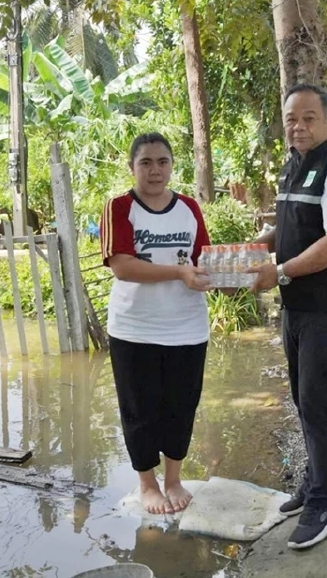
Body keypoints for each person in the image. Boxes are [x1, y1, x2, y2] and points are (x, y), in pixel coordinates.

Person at [248, 84, 327, 550]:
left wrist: (276, 271)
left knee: (319, 403)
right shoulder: (292, 167)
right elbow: (293, 224)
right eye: (291, 119)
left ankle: (326, 498)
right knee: (304, 399)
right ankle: (321, 478)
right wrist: (262, 243)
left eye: (308, 118)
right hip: (297, 307)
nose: (298, 126)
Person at [100, 132, 213, 515]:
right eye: (145, 162)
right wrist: (180, 273)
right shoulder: (119, 208)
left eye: (162, 162)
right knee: (139, 408)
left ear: (172, 166)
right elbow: (123, 267)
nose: (155, 170)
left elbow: (203, 262)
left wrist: (230, 279)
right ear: (131, 167)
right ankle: (147, 485)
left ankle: (174, 479)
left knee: (181, 405)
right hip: (135, 329)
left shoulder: (189, 208)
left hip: (188, 327)